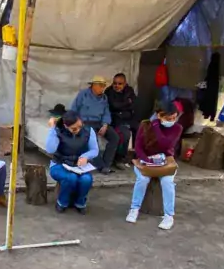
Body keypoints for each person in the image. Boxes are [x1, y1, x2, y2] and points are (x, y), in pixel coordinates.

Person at [126, 101, 183, 230]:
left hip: (166, 160)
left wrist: (157, 126)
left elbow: (166, 145)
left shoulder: (177, 128)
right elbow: (138, 146)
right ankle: (134, 209)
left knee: (168, 182)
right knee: (142, 179)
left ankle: (169, 215)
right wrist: (146, 160)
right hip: (145, 160)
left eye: (174, 118)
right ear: (159, 115)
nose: (172, 121)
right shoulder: (145, 125)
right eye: (168, 118)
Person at [45, 109, 98, 214]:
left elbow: (94, 150)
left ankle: (80, 202)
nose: (78, 130)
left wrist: (85, 157)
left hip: (79, 166)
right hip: (60, 164)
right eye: (74, 129)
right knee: (71, 178)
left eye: (80, 126)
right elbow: (50, 149)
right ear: (65, 126)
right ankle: (62, 202)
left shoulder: (88, 130)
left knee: (86, 179)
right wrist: (52, 129)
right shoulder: (58, 130)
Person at [69, 75, 119, 174]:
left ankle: (106, 163)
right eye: (100, 85)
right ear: (93, 85)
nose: (102, 88)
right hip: (85, 122)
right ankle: (101, 167)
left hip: (99, 122)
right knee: (93, 140)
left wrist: (105, 125)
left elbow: (106, 112)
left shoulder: (104, 98)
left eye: (103, 85)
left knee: (115, 137)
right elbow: (74, 109)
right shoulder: (83, 94)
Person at [105, 73, 138, 167]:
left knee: (141, 129)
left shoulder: (129, 90)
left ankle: (136, 157)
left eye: (120, 83)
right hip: (115, 118)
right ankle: (119, 158)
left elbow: (134, 104)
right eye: (115, 83)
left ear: (125, 84)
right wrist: (127, 102)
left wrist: (123, 106)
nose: (117, 86)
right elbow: (114, 105)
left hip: (128, 117)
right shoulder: (109, 91)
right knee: (124, 133)